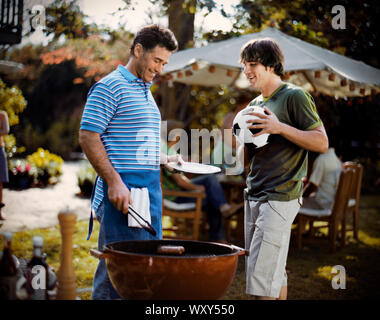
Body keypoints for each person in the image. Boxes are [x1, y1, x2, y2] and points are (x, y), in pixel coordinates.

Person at [79, 25, 180, 300]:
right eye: (157, 60)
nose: (160, 68)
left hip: (148, 195)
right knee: (118, 273)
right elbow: (88, 136)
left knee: (143, 270)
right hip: (122, 195)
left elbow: (133, 144)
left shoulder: (146, 92)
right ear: (138, 50)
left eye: (164, 63)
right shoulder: (110, 86)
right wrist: (114, 182)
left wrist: (164, 159)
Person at [238, 38, 328, 300]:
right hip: (254, 193)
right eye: (244, 65)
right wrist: (240, 141)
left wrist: (279, 127)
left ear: (270, 65)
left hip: (280, 196)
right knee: (273, 273)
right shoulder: (253, 106)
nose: (246, 71)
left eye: (252, 64)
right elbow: (250, 156)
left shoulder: (294, 96)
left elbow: (321, 142)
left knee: (260, 279)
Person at [161, 120, 242, 242]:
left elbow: (180, 178)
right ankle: (219, 236)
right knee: (211, 193)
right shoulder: (167, 152)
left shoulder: (168, 150)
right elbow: (179, 182)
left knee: (211, 186)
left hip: (179, 191)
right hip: (175, 196)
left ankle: (219, 231)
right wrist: (198, 188)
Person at [302, 139, 342, 211]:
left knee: (297, 203)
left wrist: (301, 197)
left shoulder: (322, 159)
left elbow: (312, 186)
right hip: (331, 202)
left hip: (322, 204)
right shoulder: (336, 160)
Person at [0, 110, 9, 220]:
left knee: (0, 182)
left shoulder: (2, 115)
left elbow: (6, 131)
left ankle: (0, 211)